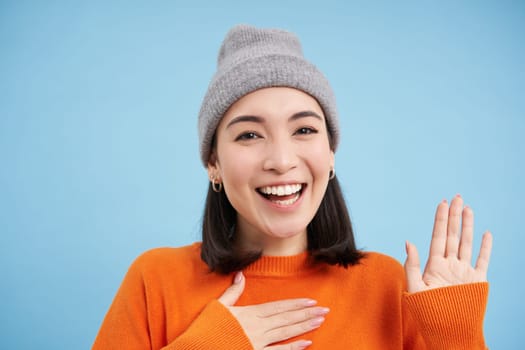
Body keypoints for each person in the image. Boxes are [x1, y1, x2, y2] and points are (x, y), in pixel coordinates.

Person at [92, 24, 493, 350]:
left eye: (303, 129)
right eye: (249, 135)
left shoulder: (389, 287)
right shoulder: (155, 280)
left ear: (331, 154)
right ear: (213, 163)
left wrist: (455, 337)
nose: (281, 160)